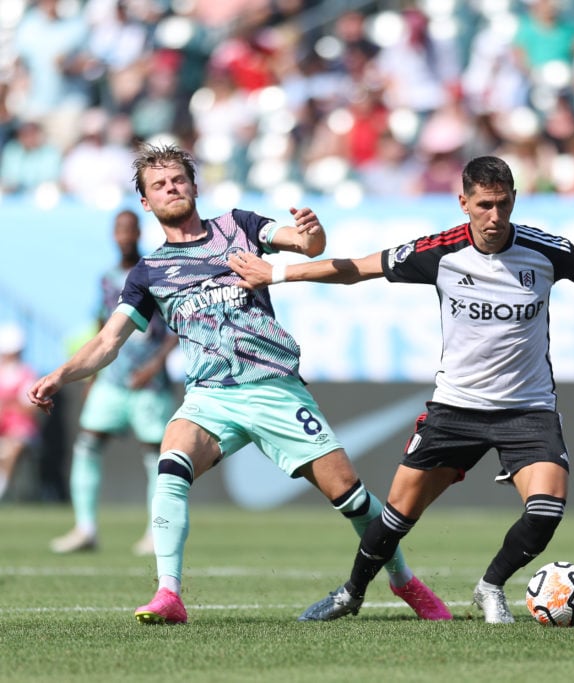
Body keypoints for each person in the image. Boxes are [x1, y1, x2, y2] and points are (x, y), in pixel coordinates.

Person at [227, 155, 574, 623]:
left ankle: (490, 586)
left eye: (503, 204)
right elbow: (358, 268)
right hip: (456, 408)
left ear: (515, 199)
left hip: (528, 409)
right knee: (396, 517)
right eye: (484, 205)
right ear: (464, 202)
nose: (495, 217)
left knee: (546, 510)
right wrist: (275, 273)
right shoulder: (440, 252)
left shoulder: (546, 251)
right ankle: (350, 594)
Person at [28, 143, 449, 625]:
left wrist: (314, 233)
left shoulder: (239, 226)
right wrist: (61, 374)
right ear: (146, 201)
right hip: (209, 398)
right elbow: (108, 341)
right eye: (159, 185)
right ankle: (169, 594)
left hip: (273, 386)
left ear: (193, 185)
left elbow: (308, 248)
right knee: (171, 465)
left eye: (178, 180)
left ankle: (403, 580)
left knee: (350, 496)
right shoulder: (148, 274)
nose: (171, 188)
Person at [49, 209, 178, 555]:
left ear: (138, 232)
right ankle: (85, 528)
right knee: (88, 443)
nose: (123, 236)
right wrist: (91, 373)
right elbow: (102, 326)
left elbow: (177, 327)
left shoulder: (158, 271)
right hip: (113, 378)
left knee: (157, 455)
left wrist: (155, 367)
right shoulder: (107, 278)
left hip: (149, 384)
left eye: (129, 229)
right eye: (118, 230)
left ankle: (156, 532)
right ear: (113, 234)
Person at [0, 323, 39, 500]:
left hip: (20, 431)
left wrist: (9, 404)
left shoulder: (27, 374)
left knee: (13, 446)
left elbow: (29, 408)